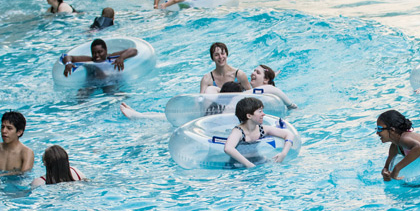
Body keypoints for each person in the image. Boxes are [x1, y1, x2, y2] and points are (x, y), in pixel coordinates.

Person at [120, 63, 293, 120]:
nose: (252, 73)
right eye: (253, 71)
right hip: (219, 113)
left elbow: (283, 97)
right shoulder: (249, 92)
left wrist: (294, 107)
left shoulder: (266, 90)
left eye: (258, 72)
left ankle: (140, 116)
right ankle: (140, 115)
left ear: (266, 80)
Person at [223, 98, 295, 168]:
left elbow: (289, 134)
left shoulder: (262, 129)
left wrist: (283, 153)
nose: (263, 114)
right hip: (239, 164)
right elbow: (228, 148)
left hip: (258, 160)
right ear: (249, 116)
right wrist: (249, 164)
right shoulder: (238, 131)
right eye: (260, 111)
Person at [376, 110, 420, 182]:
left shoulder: (405, 138)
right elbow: (387, 166)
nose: (377, 133)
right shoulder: (395, 146)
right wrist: (384, 172)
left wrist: (397, 169)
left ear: (392, 130)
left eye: (379, 129)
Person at [0, 111, 34, 175]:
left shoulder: (26, 152)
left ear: (19, 132)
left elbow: (25, 174)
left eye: (9, 128)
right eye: (2, 127)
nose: (4, 131)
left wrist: (0, 176)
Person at [62, 39, 138, 77]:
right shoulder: (90, 60)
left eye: (100, 52)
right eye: (94, 53)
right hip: (92, 83)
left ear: (106, 51)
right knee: (81, 95)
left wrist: (122, 57)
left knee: (110, 90)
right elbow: (68, 57)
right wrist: (68, 63)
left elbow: (133, 50)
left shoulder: (111, 57)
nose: (97, 55)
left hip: (110, 81)